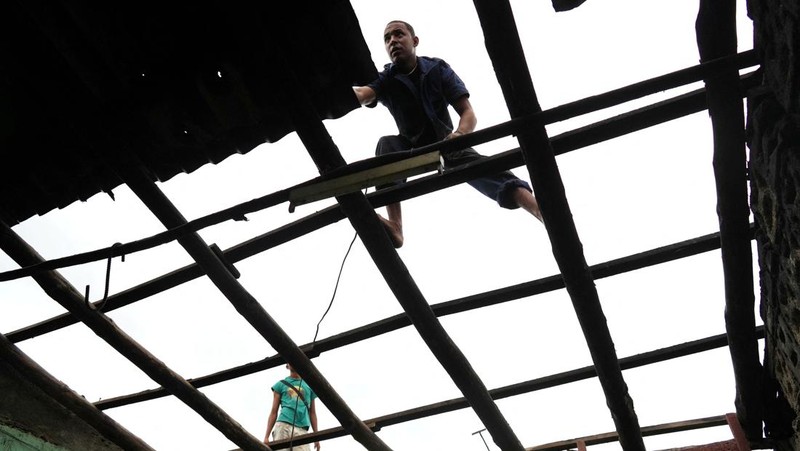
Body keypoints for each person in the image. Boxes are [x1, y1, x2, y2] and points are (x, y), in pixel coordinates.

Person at [353, 20, 543, 249]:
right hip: (408, 146)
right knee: (386, 146)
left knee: (492, 170)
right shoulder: (387, 78)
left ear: (414, 41)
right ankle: (396, 226)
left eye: (398, 34)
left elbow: (468, 112)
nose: (392, 40)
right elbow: (365, 94)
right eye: (387, 38)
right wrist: (339, 97)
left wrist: (460, 134)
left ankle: (540, 211)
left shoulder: (436, 68)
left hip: (447, 143)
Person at [264, 364, 320, 450]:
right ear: (287, 366)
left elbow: (312, 413)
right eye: (290, 361)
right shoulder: (280, 385)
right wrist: (266, 436)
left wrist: (317, 436)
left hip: (302, 429)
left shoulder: (309, 387)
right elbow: (273, 412)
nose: (293, 363)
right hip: (283, 424)